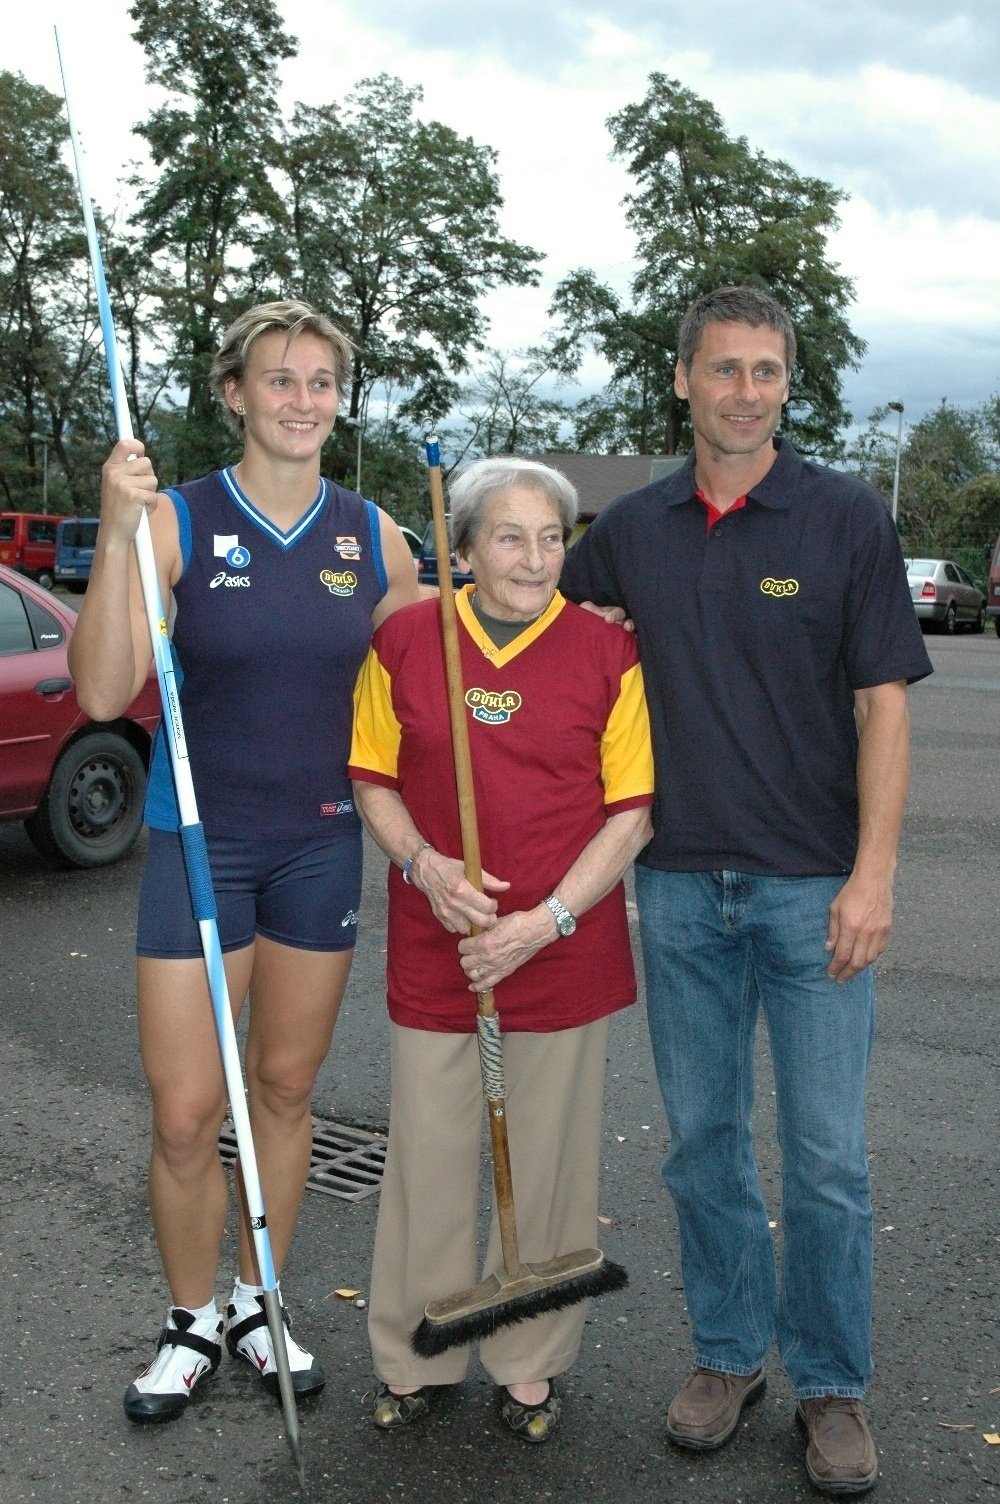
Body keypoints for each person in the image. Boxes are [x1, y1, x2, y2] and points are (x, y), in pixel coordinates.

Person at [560, 285, 932, 1495]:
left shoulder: (842, 520)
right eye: (723, 369)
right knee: (703, 1143)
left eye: (765, 371)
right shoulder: (632, 529)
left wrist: (873, 875)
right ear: (682, 379)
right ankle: (728, 1355)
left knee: (826, 1155)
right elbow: (530, 619)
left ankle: (830, 1384)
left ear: (786, 381)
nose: (744, 391)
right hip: (675, 889)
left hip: (812, 886)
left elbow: (885, 705)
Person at [68, 299, 419, 1424]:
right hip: (199, 843)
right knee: (183, 1110)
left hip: (319, 845)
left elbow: (432, 689)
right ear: (235, 393)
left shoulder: (375, 537)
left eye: (321, 380)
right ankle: (190, 1319)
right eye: (279, 379)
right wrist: (117, 529)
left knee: (283, 1086)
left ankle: (263, 1300)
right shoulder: (173, 519)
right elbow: (98, 686)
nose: (302, 400)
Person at [348, 457, 654, 1443]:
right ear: (466, 545)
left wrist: (544, 920)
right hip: (444, 949)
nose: (533, 557)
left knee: (553, 1163)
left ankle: (529, 1357)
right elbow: (373, 780)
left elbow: (631, 813)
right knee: (430, 1157)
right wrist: (426, 865)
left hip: (562, 949)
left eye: (552, 537)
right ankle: (415, 1350)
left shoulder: (607, 654)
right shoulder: (403, 640)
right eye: (510, 536)